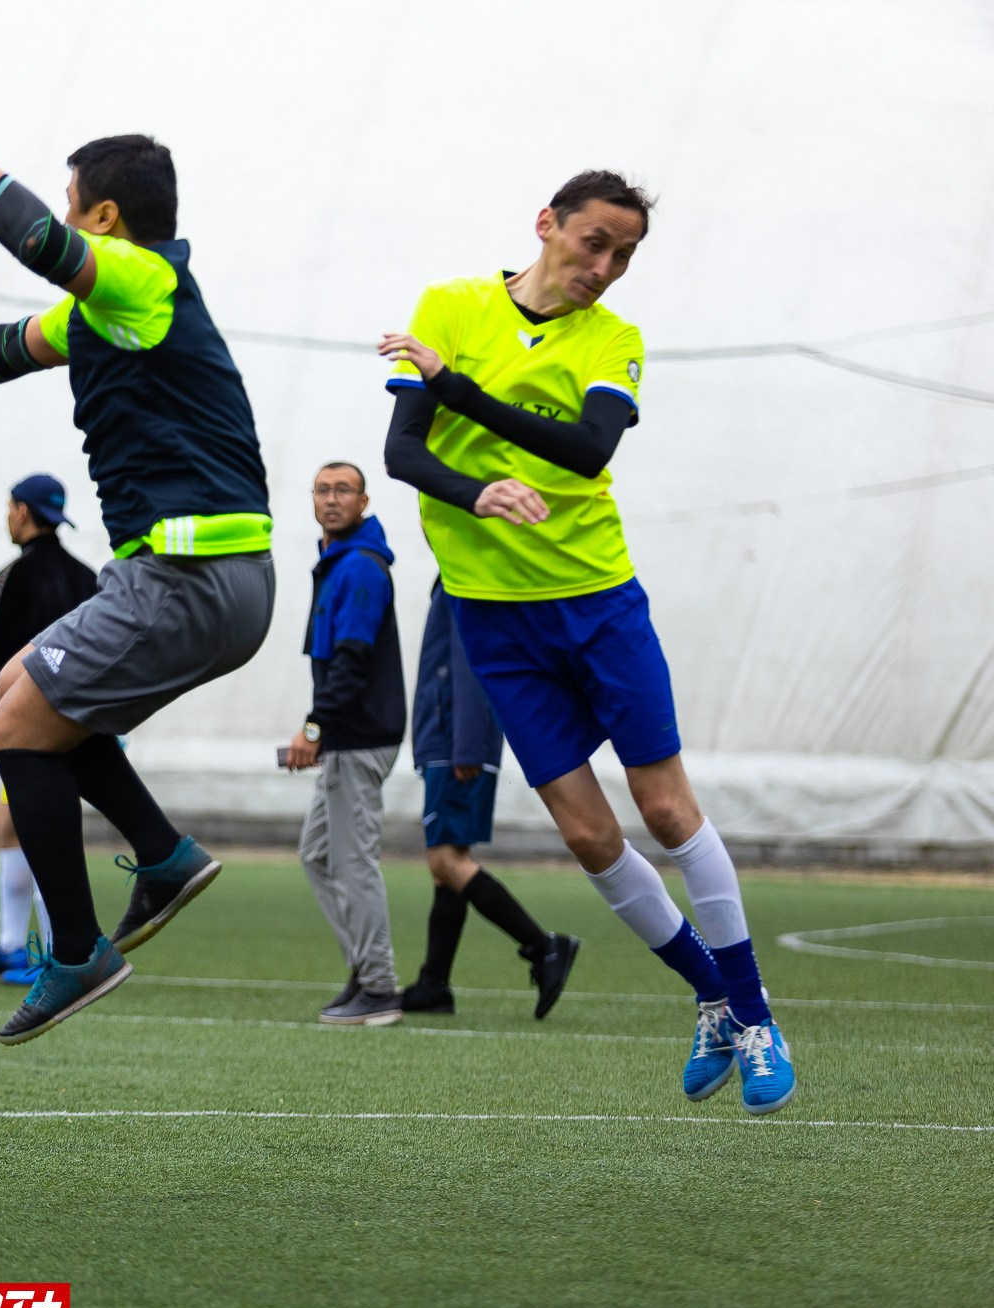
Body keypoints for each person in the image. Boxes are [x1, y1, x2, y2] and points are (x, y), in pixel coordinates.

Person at [0, 113, 274, 1044]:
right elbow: (4, 346)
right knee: (23, 681)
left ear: (105, 217)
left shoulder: (145, 279)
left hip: (191, 573)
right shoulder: (113, 311)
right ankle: (161, 854)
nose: (66, 220)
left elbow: (35, 240)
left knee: (15, 730)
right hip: (196, 578)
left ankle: (76, 949)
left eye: (76, 206)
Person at [378, 171, 795, 1113]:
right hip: (491, 614)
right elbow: (404, 452)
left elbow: (584, 452)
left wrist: (456, 386)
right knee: (583, 830)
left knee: (667, 811)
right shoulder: (450, 305)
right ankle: (713, 996)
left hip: (597, 601)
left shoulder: (615, 339)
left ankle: (757, 1016)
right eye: (592, 243)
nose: (604, 267)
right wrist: (474, 488)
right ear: (545, 225)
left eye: (624, 255)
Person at [0, 474, 100, 986]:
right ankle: (13, 945)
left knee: (39, 827)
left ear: (20, 511)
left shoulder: (16, 576)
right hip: (82, 719)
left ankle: (58, 953)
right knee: (11, 824)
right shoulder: (86, 577)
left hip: (33, 725)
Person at [400, 579, 578, 1017]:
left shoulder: (463, 580)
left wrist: (467, 745)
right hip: (454, 741)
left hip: (455, 744)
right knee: (447, 866)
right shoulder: (459, 578)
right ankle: (433, 984)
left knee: (446, 861)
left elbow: (469, 663)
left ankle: (543, 947)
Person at [283, 463, 406, 1026]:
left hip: (357, 739)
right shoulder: (340, 563)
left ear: (363, 501)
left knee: (353, 862)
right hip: (349, 738)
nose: (332, 499)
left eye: (343, 491)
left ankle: (379, 987)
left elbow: (351, 662)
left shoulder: (359, 567)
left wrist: (314, 730)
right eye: (323, 490)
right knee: (318, 853)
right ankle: (364, 967)